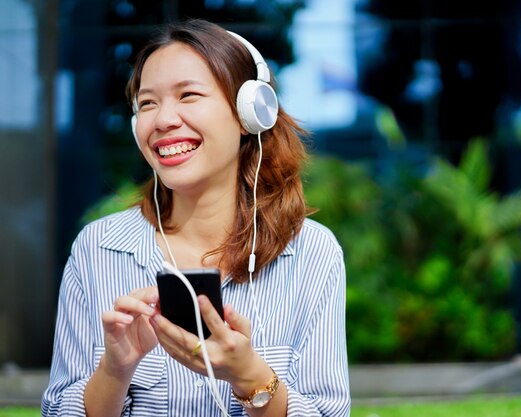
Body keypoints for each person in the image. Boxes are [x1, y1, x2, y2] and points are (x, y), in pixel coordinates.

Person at [42, 19, 350, 417]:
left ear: (248, 115)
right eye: (147, 103)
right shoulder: (98, 249)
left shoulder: (311, 252)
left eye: (188, 95)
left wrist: (250, 377)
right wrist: (115, 371)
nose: (163, 119)